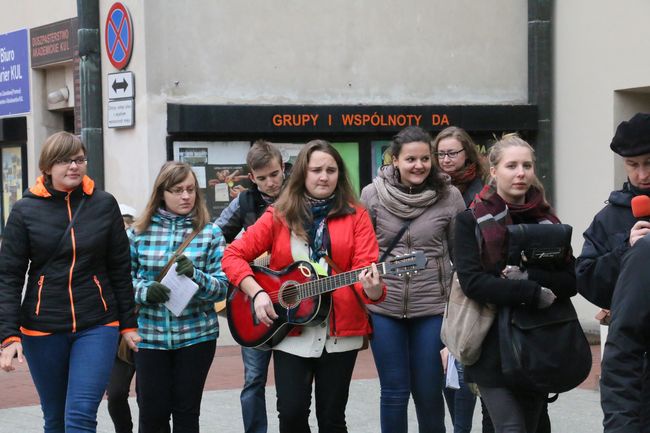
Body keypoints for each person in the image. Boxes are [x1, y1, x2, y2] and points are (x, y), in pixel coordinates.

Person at [222, 139, 385, 433]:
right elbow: (233, 255)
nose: (324, 176)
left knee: (332, 418)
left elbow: (365, 272)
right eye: (316, 170)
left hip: (339, 331)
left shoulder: (356, 215)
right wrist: (256, 291)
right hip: (290, 330)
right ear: (302, 174)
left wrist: (372, 289)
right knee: (292, 414)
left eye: (331, 170)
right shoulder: (279, 215)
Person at [0, 131, 140, 432]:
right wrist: (8, 336)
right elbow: (8, 277)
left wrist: (128, 324)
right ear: (47, 167)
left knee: (80, 415)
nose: (74, 166)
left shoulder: (103, 205)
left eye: (79, 159)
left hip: (97, 324)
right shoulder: (25, 211)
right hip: (42, 328)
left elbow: (119, 268)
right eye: (64, 160)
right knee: (56, 418)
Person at [453, 133, 576, 433]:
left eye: (527, 165)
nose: (520, 173)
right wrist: (531, 291)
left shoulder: (548, 222)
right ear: (493, 171)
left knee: (534, 425)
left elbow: (571, 281)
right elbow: (474, 283)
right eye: (511, 166)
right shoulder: (470, 220)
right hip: (490, 341)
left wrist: (528, 277)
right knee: (510, 427)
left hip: (536, 341)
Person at [360, 126, 466, 433]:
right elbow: (364, 253)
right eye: (410, 159)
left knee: (429, 391)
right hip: (385, 308)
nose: (418, 165)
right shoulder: (372, 195)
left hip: (432, 308)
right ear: (395, 160)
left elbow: (461, 254)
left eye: (424, 158)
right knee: (393, 393)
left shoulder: (449, 196)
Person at [129, 161, 229, 433]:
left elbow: (223, 287)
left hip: (196, 335)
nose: (186, 196)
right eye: (177, 190)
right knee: (152, 413)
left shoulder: (210, 233)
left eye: (190, 189)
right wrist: (144, 290)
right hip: (150, 337)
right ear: (162, 193)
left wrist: (197, 276)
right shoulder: (138, 233)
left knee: (186, 413)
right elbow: (122, 281)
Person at [579, 113, 650, 431]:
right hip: (634, 362)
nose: (643, 174)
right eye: (633, 165)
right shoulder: (610, 217)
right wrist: (627, 250)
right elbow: (586, 280)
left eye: (649, 162)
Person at [216, 140, 285, 433]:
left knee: (290, 381)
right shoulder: (242, 203)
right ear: (252, 177)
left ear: (283, 168)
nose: (270, 182)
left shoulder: (300, 195)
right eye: (262, 178)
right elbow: (216, 239)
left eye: (274, 174)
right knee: (254, 378)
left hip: (294, 296)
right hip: (253, 300)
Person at [433, 126, 494, 433]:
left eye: (452, 153)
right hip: (442, 291)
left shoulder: (481, 190)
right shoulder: (434, 190)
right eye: (440, 153)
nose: (445, 159)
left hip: (474, 290)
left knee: (470, 372)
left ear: (467, 153)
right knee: (451, 375)